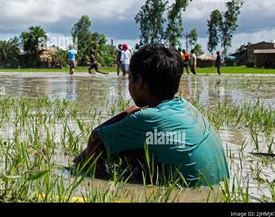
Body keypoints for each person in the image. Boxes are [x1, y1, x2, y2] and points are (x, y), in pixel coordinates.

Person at [74, 44, 229, 186]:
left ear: (139, 81)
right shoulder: (187, 107)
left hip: (188, 194)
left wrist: (81, 170)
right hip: (220, 190)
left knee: (86, 165)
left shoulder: (146, 119)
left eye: (130, 78)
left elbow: (96, 139)